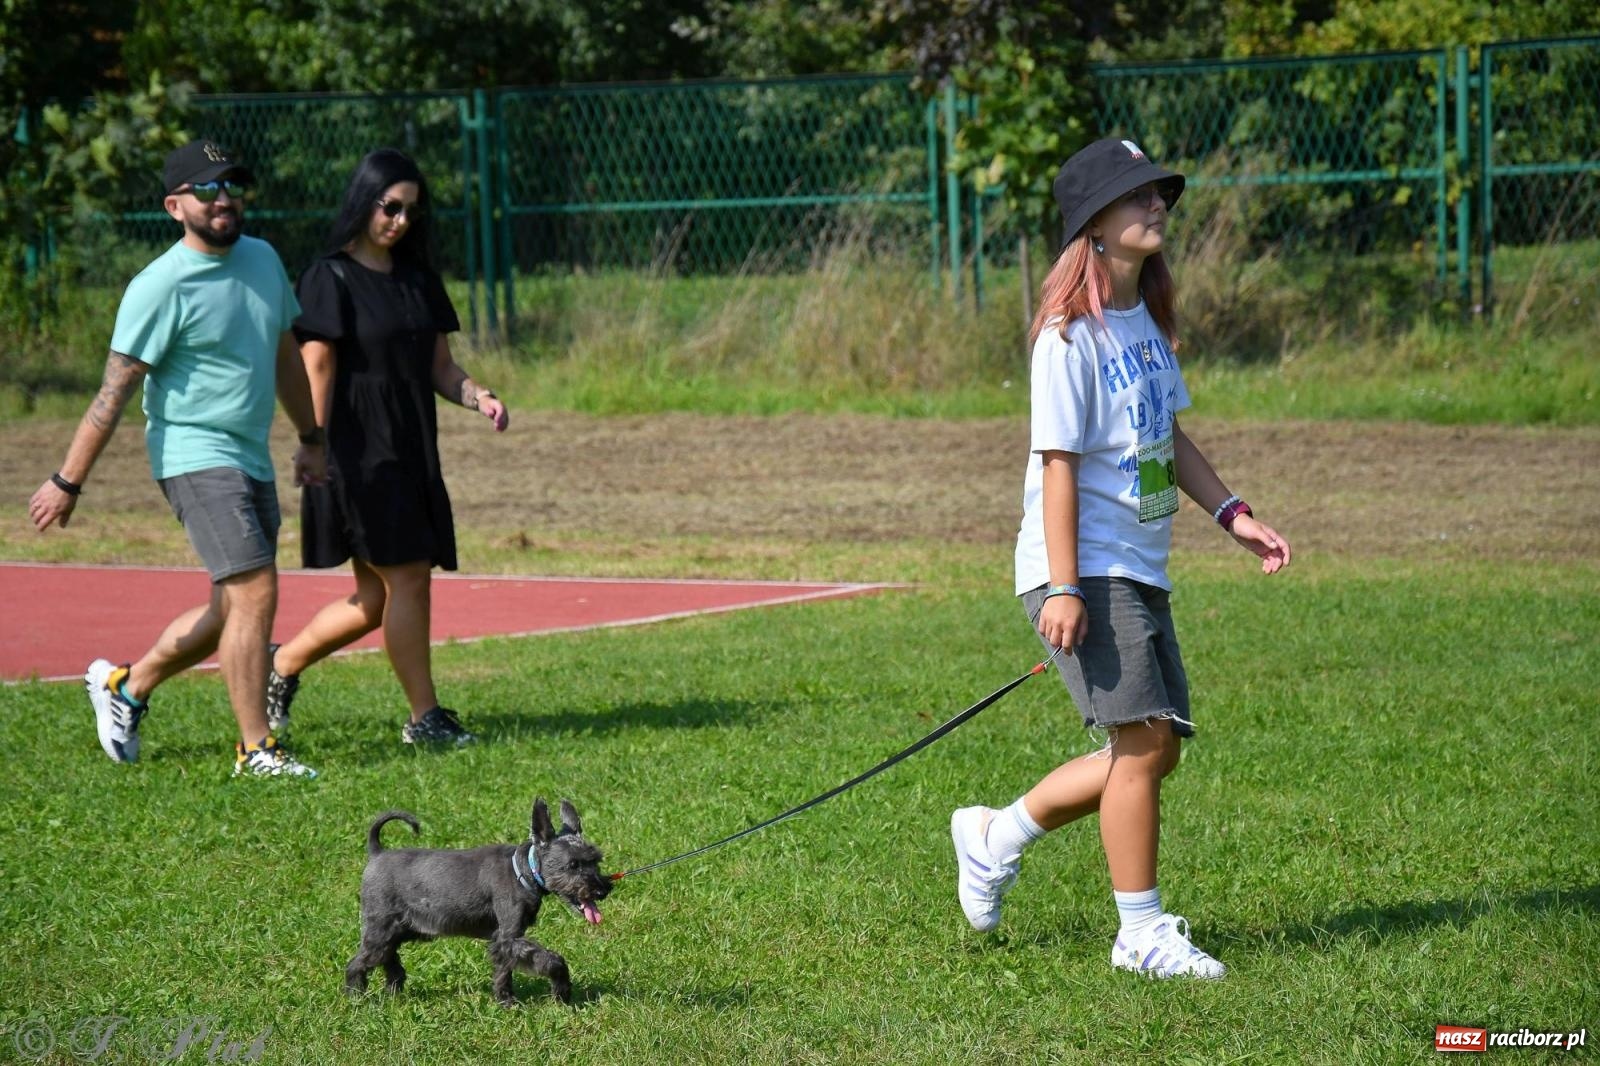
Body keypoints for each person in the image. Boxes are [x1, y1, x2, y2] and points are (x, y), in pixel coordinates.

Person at [949, 138, 1292, 978]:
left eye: (1158, 193)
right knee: (1141, 744)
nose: (1155, 205)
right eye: (1135, 196)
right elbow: (1056, 466)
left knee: (1156, 747)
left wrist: (1231, 512)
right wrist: (1063, 585)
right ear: (1092, 226)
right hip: (1084, 567)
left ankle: (996, 834)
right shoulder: (1067, 339)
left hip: (1137, 566)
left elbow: (1167, 433)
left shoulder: (1146, 324)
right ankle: (1139, 933)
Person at [27, 139, 328, 777]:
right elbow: (114, 391)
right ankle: (256, 749)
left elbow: (283, 356)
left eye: (231, 186)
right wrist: (67, 480)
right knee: (255, 590)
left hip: (250, 452)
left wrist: (310, 437)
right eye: (206, 189)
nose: (223, 199)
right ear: (174, 206)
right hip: (192, 453)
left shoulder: (264, 260)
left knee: (232, 607)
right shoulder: (158, 286)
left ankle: (126, 688)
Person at [264, 148, 508, 747]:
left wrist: (478, 396)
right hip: (354, 452)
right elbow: (314, 366)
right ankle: (425, 719)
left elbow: (441, 368)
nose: (399, 222)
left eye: (410, 213)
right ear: (364, 202)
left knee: (375, 597)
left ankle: (281, 665)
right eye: (389, 208)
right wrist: (311, 444)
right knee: (409, 578)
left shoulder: (418, 280)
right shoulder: (328, 277)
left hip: (410, 447)